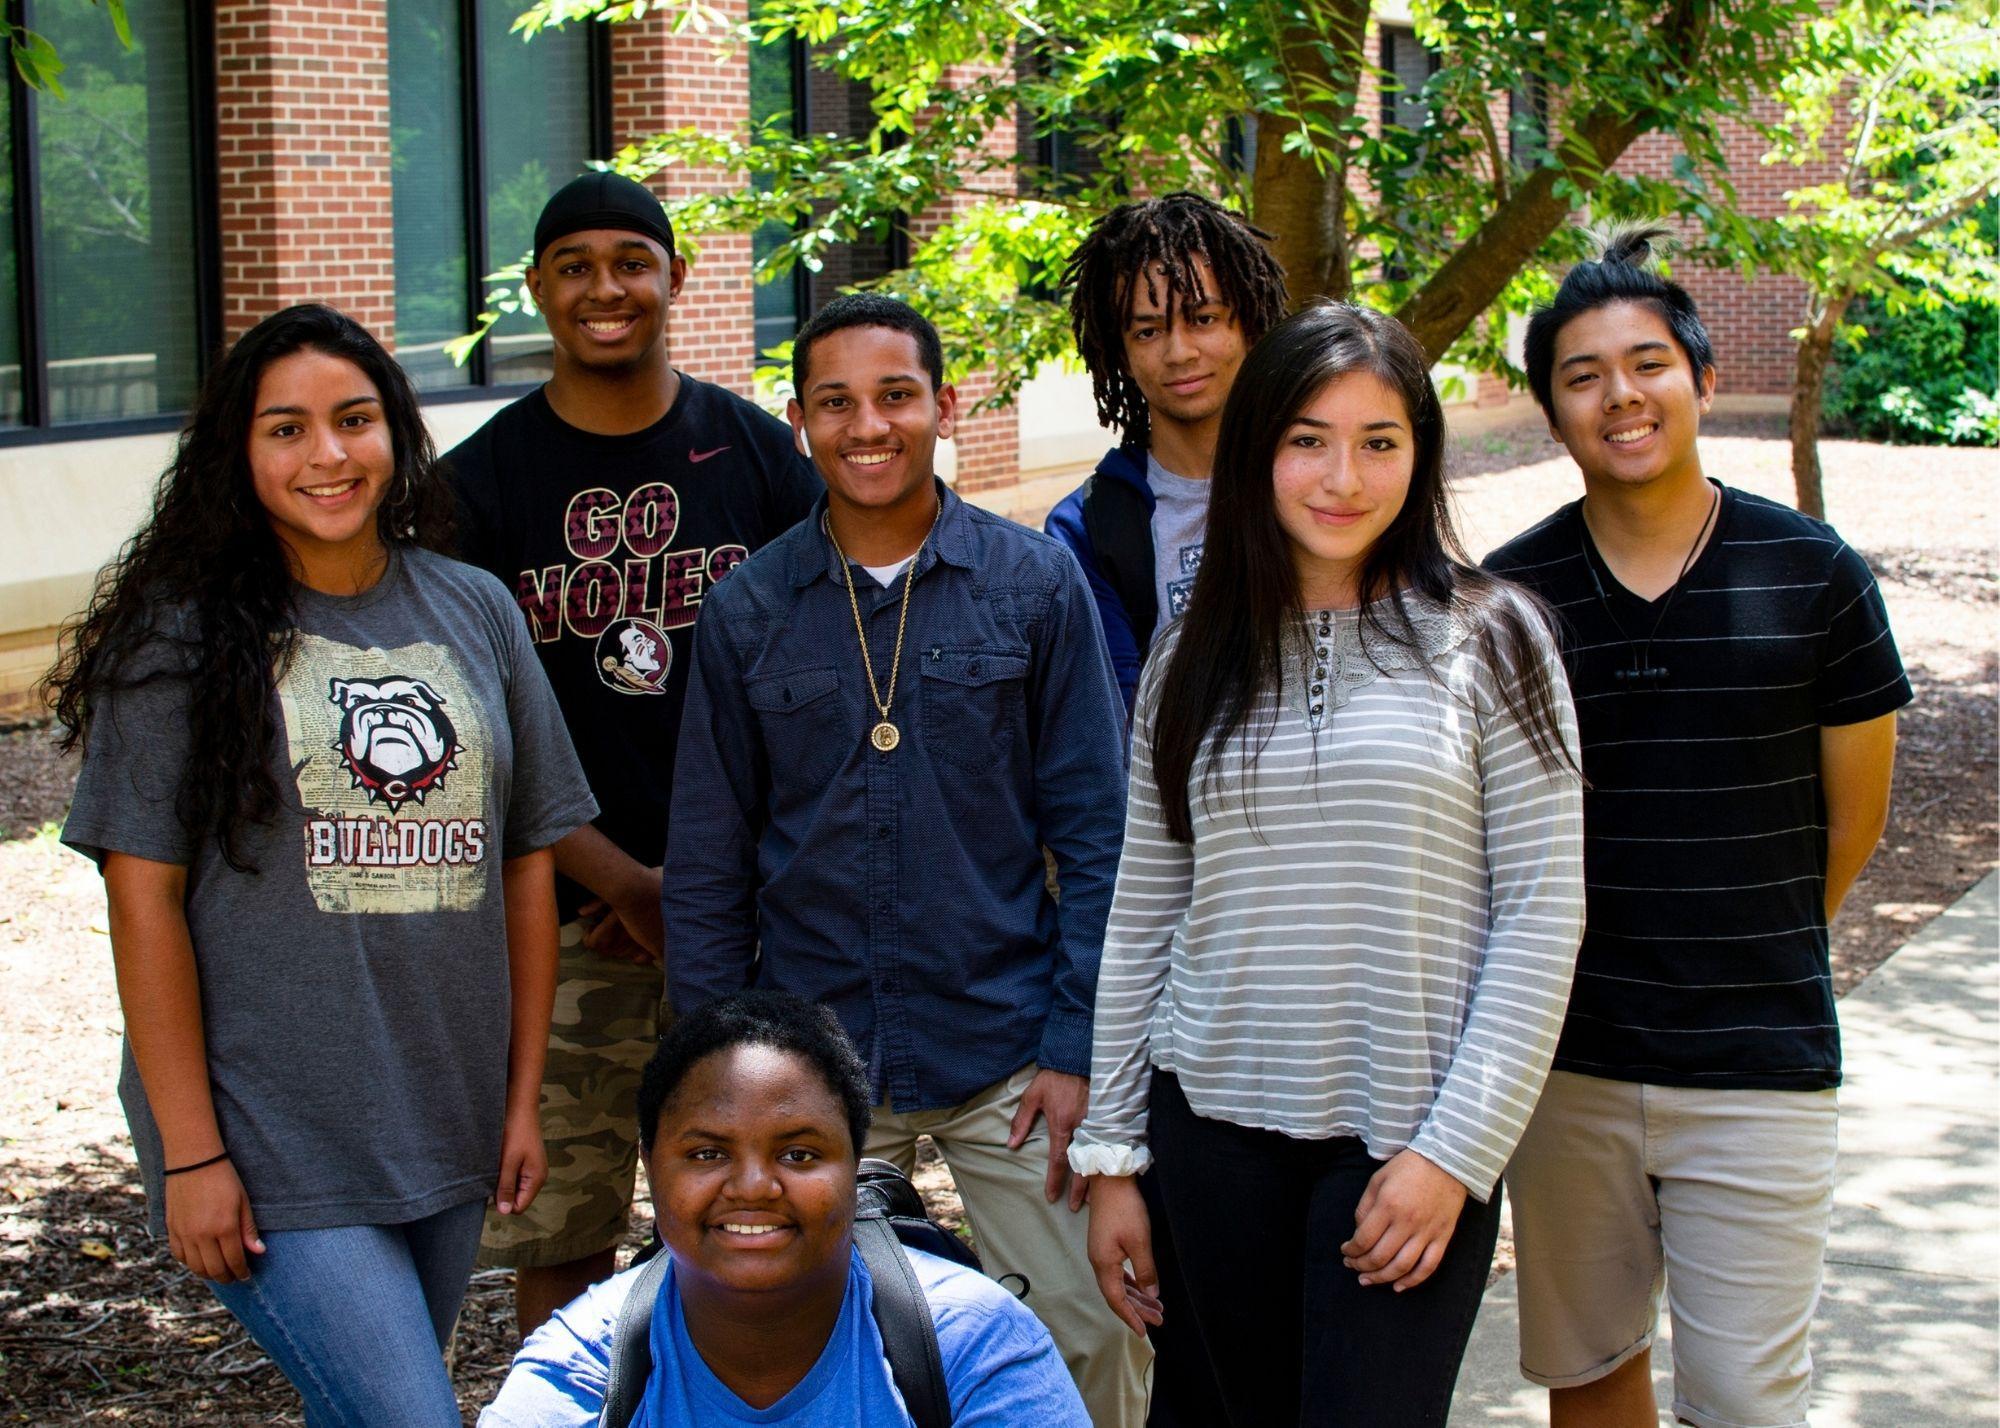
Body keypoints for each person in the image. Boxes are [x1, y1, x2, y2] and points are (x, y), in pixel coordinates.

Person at [47, 304, 597, 1426]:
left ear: (395, 430)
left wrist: (519, 1095)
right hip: (269, 1131)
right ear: (238, 453)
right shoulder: (180, 636)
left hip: (442, 1110)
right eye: (284, 429)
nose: (327, 455)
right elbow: (140, 898)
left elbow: (527, 862)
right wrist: (193, 1154)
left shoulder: (473, 607)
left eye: (352, 420)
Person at [1071, 301, 1587, 1428]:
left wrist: (1453, 1156)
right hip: (1207, 1137)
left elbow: (1542, 917)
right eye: (1306, 438)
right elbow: (1144, 908)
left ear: (1422, 452)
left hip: (1404, 1144)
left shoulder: (1493, 637)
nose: (1340, 476)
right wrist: (1112, 1158)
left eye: (1378, 440)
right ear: (1257, 448)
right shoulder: (1189, 648)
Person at [664, 293, 1152, 1425]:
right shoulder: (748, 608)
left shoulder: (1033, 585)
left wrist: (1075, 1047)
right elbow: (705, 867)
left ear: (943, 409)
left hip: (1008, 1048)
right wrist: (718, 1078)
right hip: (810, 1053)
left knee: (1093, 1320)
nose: (866, 425)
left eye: (894, 396)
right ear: (797, 423)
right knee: (781, 1345)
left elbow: (1099, 838)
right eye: (834, 402)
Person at [1486, 228, 1911, 1428]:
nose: (1619, 395)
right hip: (1566, 1064)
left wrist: (1750, 944)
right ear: (1552, 413)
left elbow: (1855, 817)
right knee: (1588, 1372)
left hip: (1755, 1063)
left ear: (1700, 380)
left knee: (1744, 1396)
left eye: (1647, 363)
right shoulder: (1511, 600)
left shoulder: (1812, 573)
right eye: (1581, 375)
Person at [444, 170, 823, 1334]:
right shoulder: (477, 484)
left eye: (629, 261)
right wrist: (622, 882)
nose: (604, 289)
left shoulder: (755, 456)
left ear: (675, 278)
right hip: (564, 927)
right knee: (561, 1229)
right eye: (574, 266)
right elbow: (468, 727)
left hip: (752, 915)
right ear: (535, 289)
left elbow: (821, 681)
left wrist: (706, 887)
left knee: (752, 1209)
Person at [479, 990, 1092, 1426]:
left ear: (856, 1166)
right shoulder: (587, 1361)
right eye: (706, 1153)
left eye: (798, 1154)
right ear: (649, 1164)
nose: (753, 1186)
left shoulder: (974, 1343)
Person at [1044, 192, 1290, 718]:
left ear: (1248, 324)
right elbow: (1117, 716)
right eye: (1149, 330)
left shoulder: (1320, 480)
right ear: (1121, 354)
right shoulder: (1085, 528)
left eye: (1203, 319)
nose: (1179, 352)